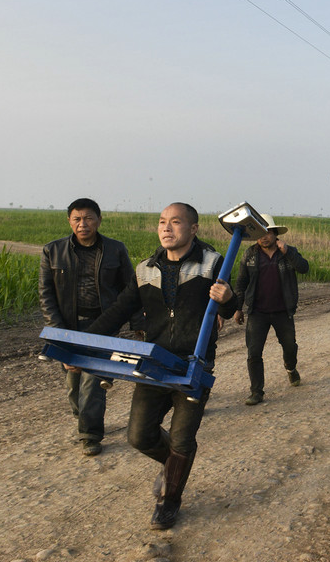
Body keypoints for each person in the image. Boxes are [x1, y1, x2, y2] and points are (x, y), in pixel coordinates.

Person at [87, 202, 237, 530]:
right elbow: (118, 310)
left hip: (194, 366)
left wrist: (228, 299)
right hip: (154, 365)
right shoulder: (145, 269)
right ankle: (173, 466)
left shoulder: (213, 263)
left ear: (193, 229)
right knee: (139, 436)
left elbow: (229, 307)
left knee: (182, 440)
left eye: (176, 222)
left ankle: (169, 502)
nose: (166, 228)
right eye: (162, 222)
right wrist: (86, 342)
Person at [39, 197, 141, 457]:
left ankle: (90, 434)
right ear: (69, 221)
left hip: (103, 326)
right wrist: (59, 334)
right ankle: (83, 418)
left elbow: (129, 290)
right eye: (77, 219)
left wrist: (137, 323)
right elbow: (46, 295)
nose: (82, 224)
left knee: (92, 382)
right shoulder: (52, 251)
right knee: (73, 382)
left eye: (88, 218)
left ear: (99, 220)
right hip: (69, 327)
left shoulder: (115, 249)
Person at [233, 214, 309, 406]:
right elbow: (241, 282)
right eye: (260, 233)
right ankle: (256, 392)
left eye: (267, 232)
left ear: (275, 234)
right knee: (254, 352)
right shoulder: (250, 255)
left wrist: (288, 252)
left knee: (289, 346)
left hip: (283, 311)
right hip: (257, 312)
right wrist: (238, 308)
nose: (264, 237)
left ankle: (291, 368)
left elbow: (304, 268)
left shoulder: (288, 252)